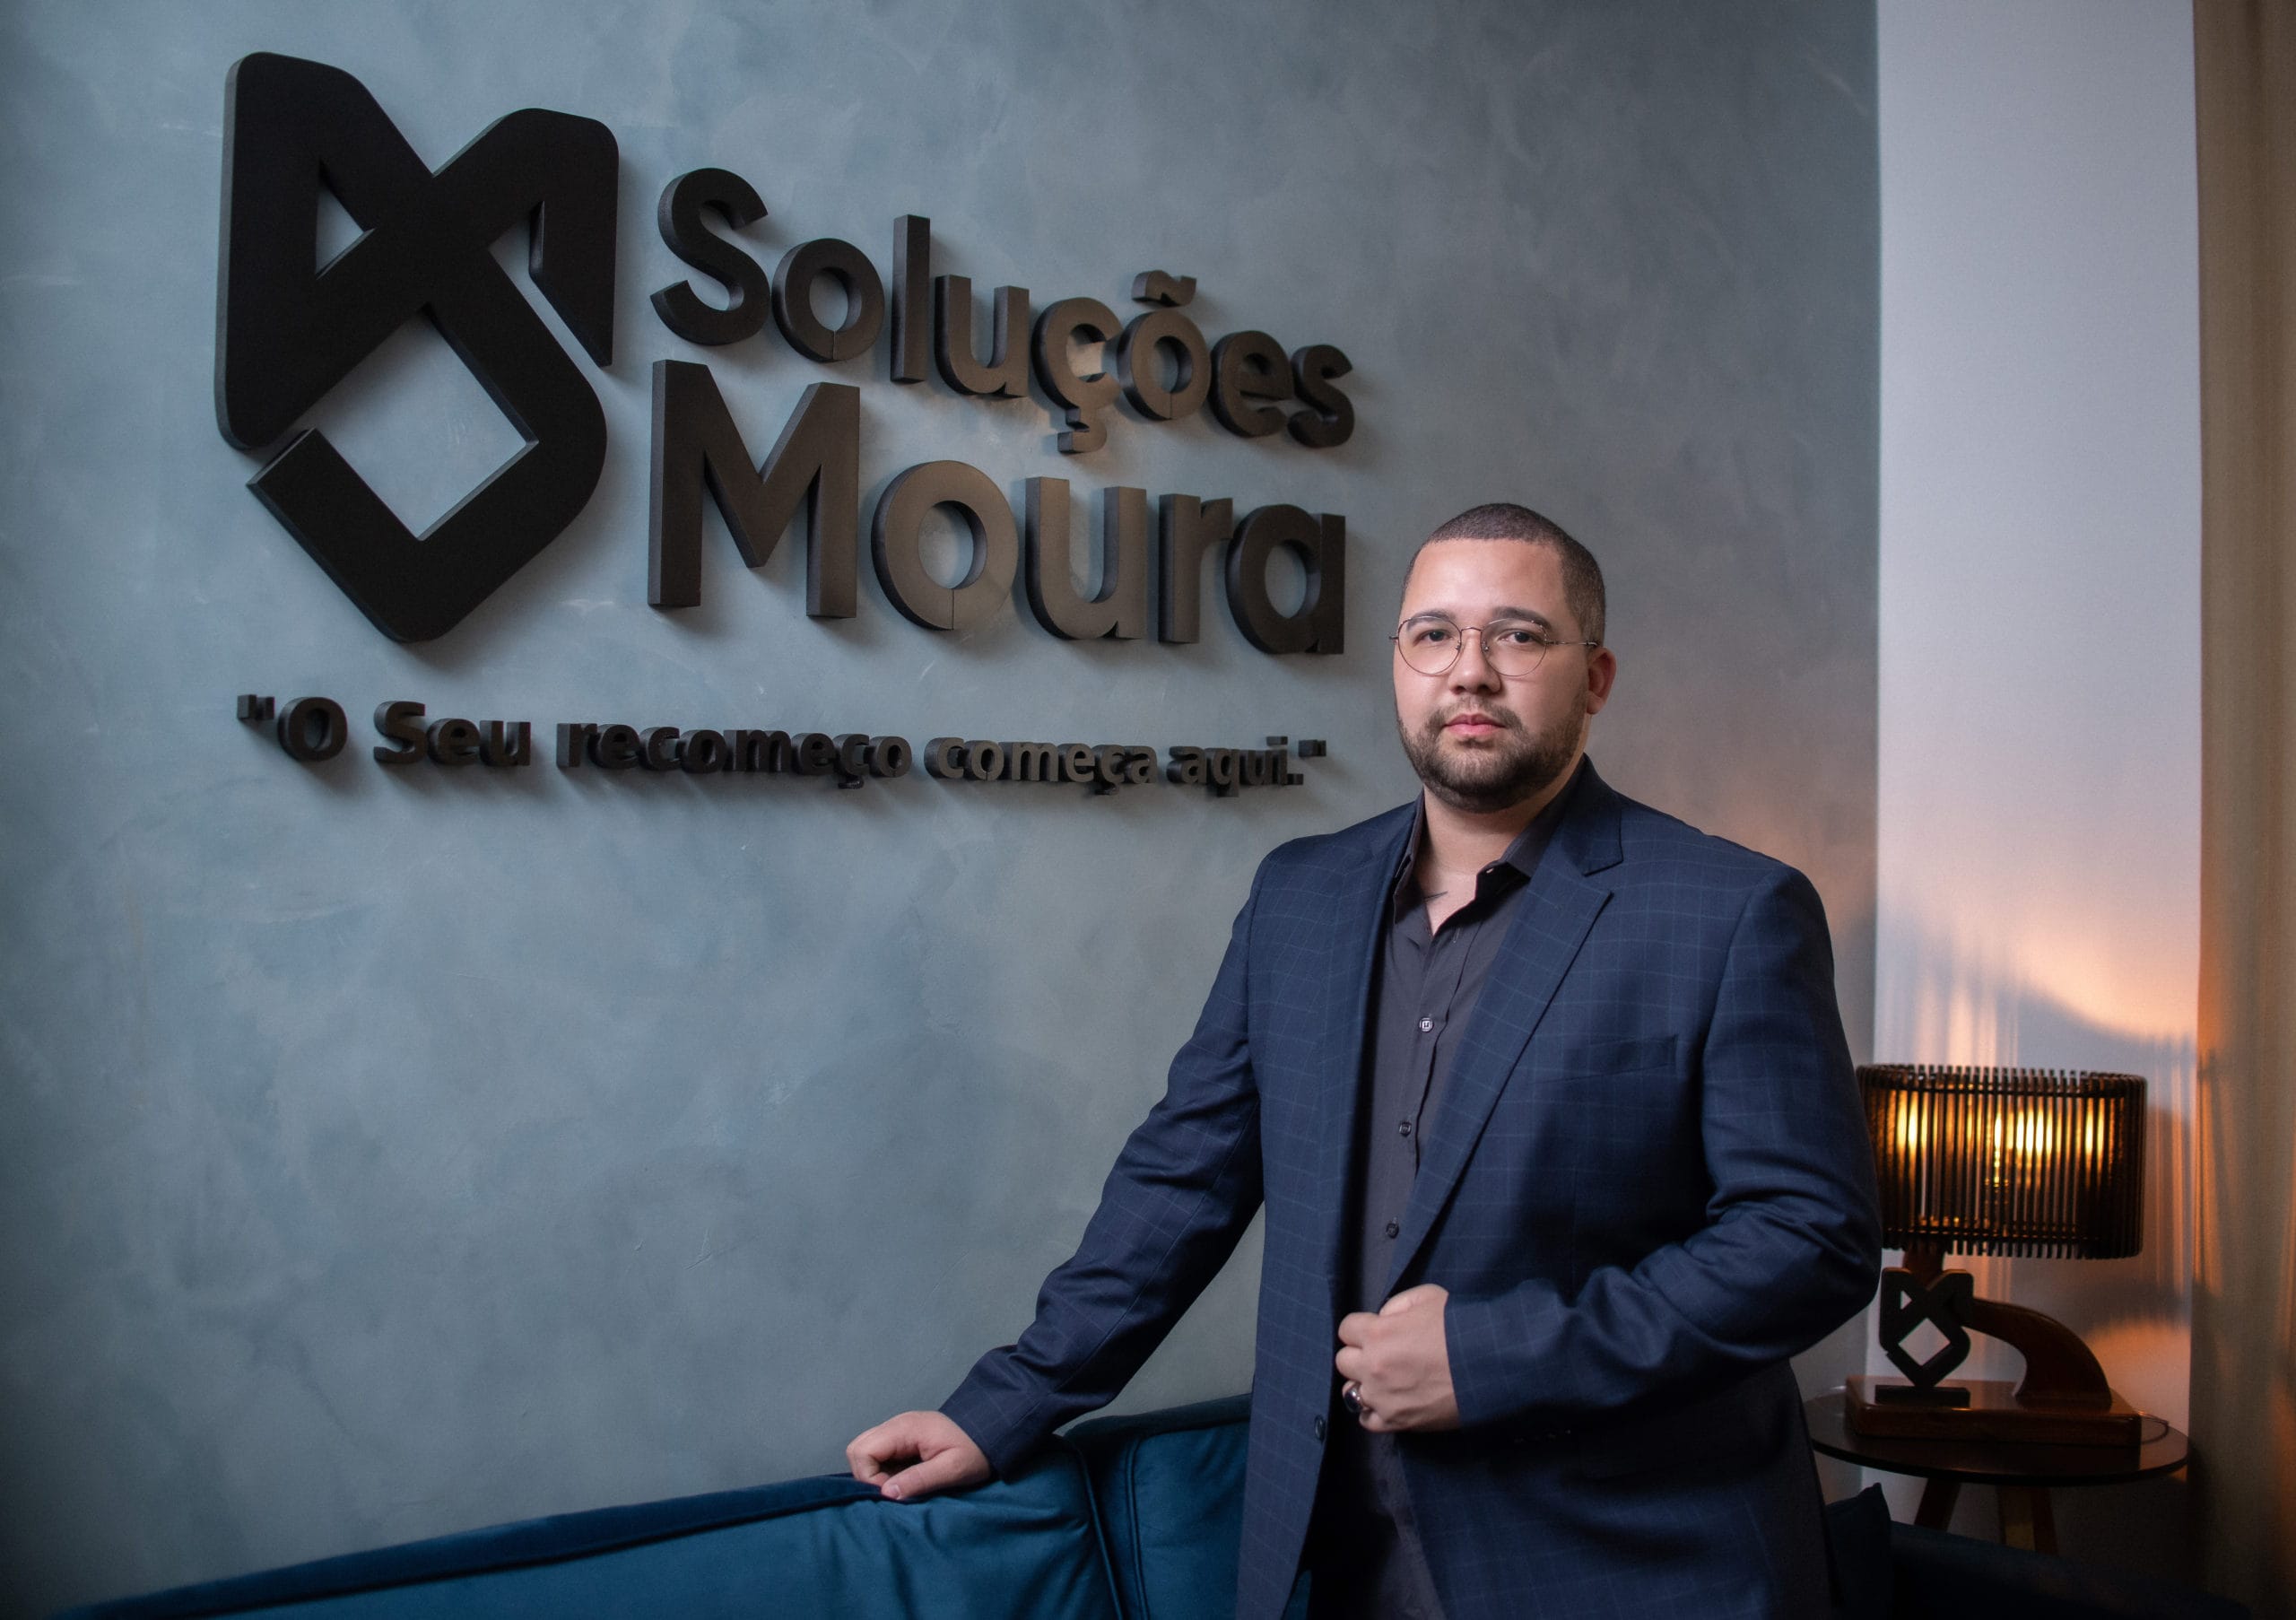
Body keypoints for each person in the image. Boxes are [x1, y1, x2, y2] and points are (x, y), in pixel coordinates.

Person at [847, 503, 1882, 1619]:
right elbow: (1181, 1182)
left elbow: (1808, 1242)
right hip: (1349, 1557)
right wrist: (1002, 1407)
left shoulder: (1728, 911)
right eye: (1433, 634)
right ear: (1398, 666)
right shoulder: (1300, 896)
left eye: (1518, 634)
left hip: (1638, 1570)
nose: (1470, 670)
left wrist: (1492, 1358)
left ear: (1595, 678)